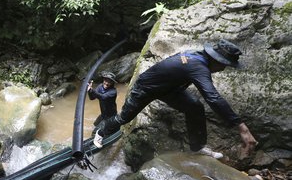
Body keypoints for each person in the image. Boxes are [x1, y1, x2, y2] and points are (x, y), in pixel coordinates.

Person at [93, 39, 258, 160]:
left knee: (194, 106)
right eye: (224, 64)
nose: (223, 69)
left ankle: (197, 147)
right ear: (216, 59)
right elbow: (213, 97)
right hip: (145, 88)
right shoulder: (197, 66)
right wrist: (242, 128)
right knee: (124, 118)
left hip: (168, 89)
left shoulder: (198, 56)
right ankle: (101, 131)